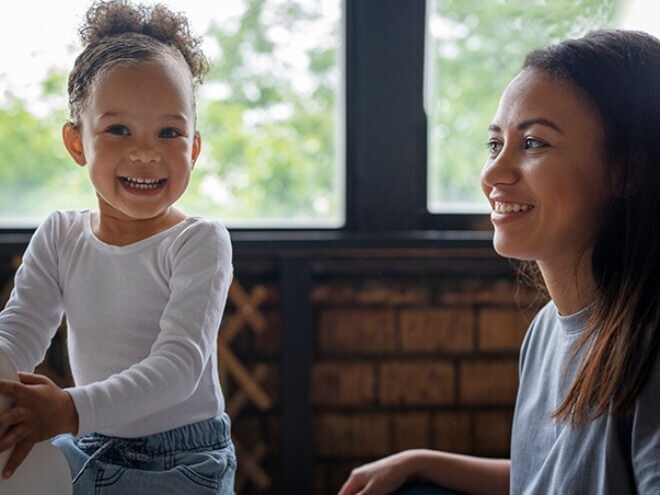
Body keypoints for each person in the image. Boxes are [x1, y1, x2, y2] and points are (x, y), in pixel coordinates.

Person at [339, 29, 660, 495]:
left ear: (627, 171)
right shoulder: (547, 330)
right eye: (495, 145)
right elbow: (551, 479)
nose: (492, 173)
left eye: (533, 144)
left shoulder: (649, 344)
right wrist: (423, 461)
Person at [0, 1, 236, 493]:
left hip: (182, 462)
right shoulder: (61, 235)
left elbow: (178, 368)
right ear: (76, 142)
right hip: (87, 443)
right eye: (118, 129)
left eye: (169, 132)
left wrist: (68, 408)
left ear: (193, 147)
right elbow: (18, 334)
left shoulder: (198, 242)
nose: (145, 151)